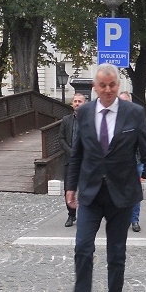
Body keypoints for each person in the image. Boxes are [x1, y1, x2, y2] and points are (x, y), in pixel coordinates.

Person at [65, 65, 146, 292]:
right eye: (103, 85)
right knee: (82, 248)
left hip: (122, 193)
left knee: (116, 251)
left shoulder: (134, 113)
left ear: (118, 86)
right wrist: (70, 186)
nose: (108, 90)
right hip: (91, 192)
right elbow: (77, 154)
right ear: (95, 87)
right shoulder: (84, 113)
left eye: (112, 85)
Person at [59, 93, 86, 227]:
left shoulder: (89, 120)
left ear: (84, 104)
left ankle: (85, 215)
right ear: (72, 104)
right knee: (68, 188)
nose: (77, 103)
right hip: (70, 159)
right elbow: (61, 138)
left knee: (85, 188)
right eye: (75, 101)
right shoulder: (66, 120)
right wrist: (71, 152)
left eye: (80, 101)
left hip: (85, 160)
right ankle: (71, 214)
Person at [118, 91, 143, 232]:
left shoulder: (137, 119)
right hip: (119, 164)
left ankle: (134, 220)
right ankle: (122, 219)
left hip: (136, 162)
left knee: (134, 192)